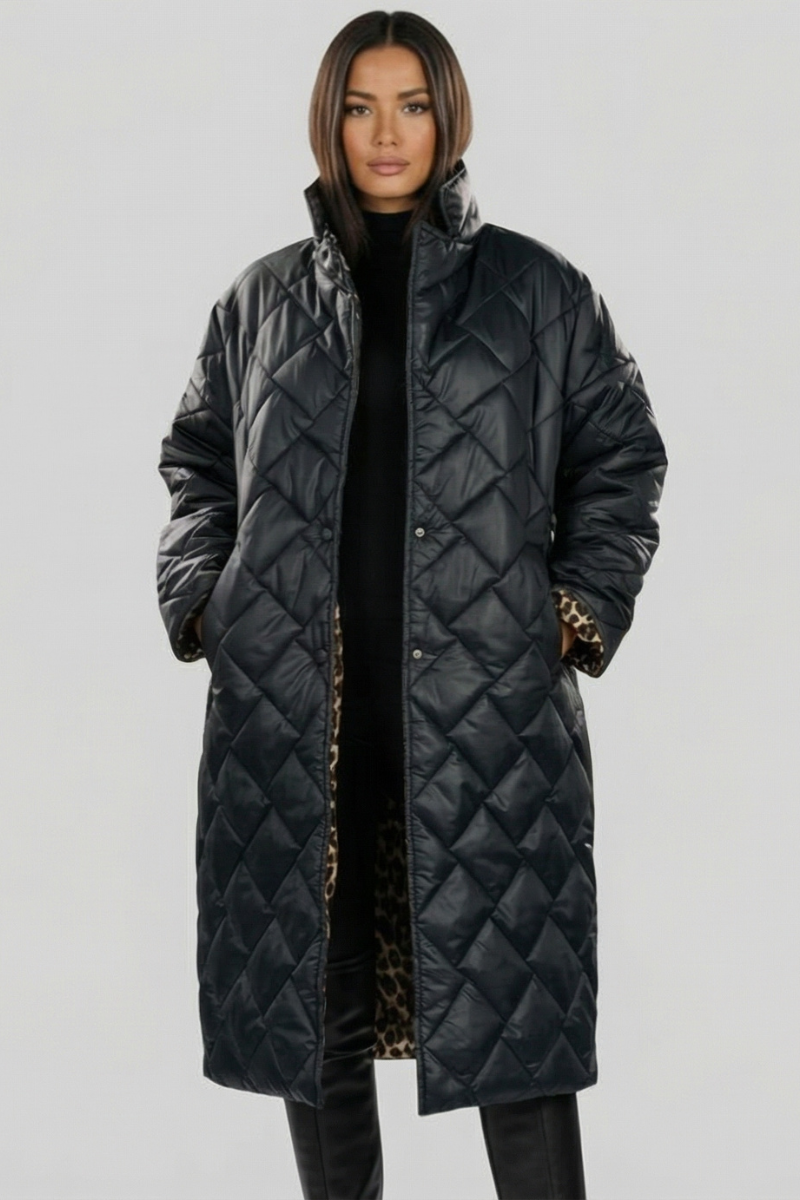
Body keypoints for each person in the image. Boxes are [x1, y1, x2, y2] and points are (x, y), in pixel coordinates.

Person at [156, 11, 668, 1199]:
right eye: (358, 106)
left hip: (486, 717)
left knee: (512, 1022)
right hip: (298, 718)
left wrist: (571, 612)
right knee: (313, 1016)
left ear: (448, 117)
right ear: (327, 121)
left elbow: (622, 458)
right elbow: (196, 461)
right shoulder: (259, 304)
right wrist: (209, 604)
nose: (385, 134)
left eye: (411, 105)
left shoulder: (537, 291)